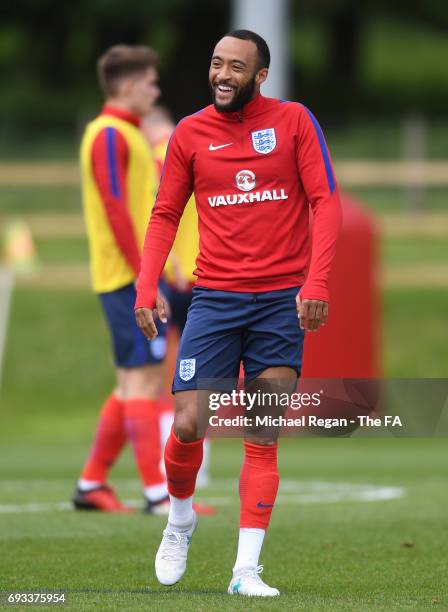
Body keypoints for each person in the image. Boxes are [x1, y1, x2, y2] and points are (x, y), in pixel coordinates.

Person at [135, 30, 342, 596]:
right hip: (216, 299)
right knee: (186, 423)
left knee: (262, 432)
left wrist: (316, 282)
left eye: (236, 67)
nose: (223, 75)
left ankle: (245, 571)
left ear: (260, 75)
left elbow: (325, 200)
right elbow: (164, 213)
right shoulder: (190, 132)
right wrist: (146, 285)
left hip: (280, 302)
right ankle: (180, 520)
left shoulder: (296, 121)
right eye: (216, 64)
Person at [74, 45, 170, 514]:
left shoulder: (127, 135)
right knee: (142, 384)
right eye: (151, 82)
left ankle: (92, 484)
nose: (156, 90)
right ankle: (157, 494)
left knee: (131, 384)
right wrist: (142, 280)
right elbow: (116, 209)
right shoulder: (109, 135)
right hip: (125, 278)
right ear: (129, 85)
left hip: (132, 276)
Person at [141, 107, 211, 489]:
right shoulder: (205, 146)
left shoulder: (160, 155)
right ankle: (201, 466)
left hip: (176, 277)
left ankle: (167, 466)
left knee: (163, 376)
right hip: (208, 273)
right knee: (208, 375)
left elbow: (152, 216)